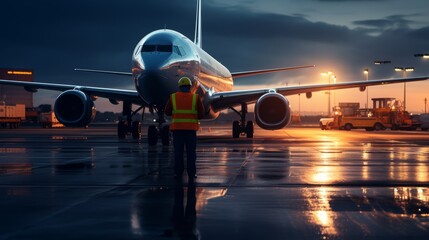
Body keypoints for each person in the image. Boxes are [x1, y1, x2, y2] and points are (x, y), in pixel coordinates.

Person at [165, 77, 204, 181]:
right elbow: (201, 114)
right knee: (191, 153)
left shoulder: (173, 97)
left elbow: (167, 112)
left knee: (178, 153)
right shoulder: (195, 98)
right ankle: (192, 174)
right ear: (190, 87)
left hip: (177, 130)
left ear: (179, 86)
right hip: (191, 131)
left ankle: (178, 174)